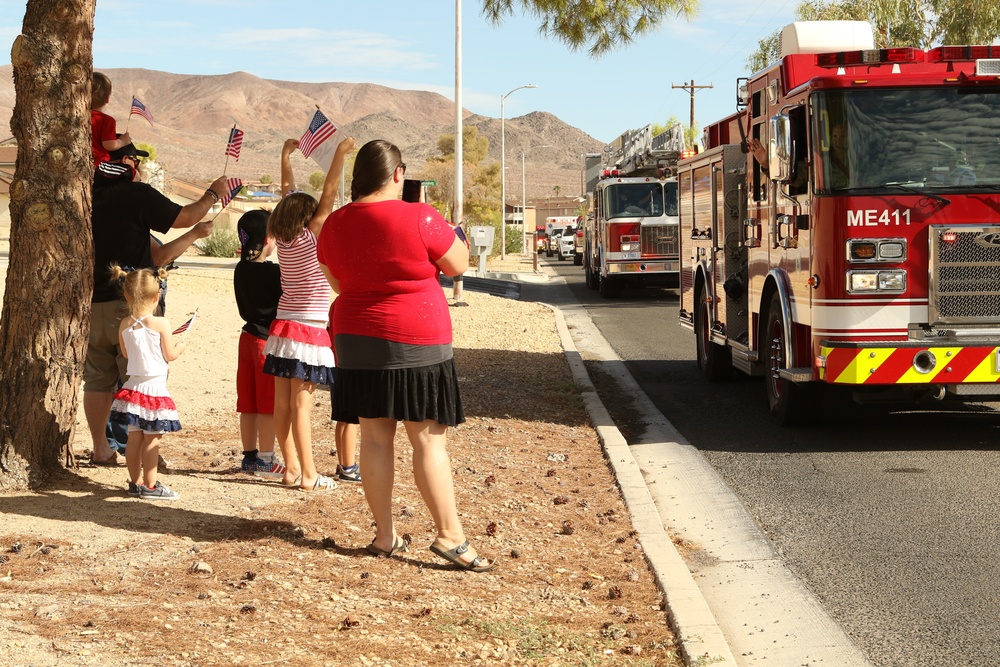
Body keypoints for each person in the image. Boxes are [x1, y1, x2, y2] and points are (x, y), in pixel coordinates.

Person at [317, 139, 493, 572]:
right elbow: (459, 265)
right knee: (427, 440)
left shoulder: (334, 224)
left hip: (357, 339)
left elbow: (338, 284)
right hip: (417, 337)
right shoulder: (421, 216)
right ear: (398, 174)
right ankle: (451, 537)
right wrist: (449, 226)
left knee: (375, 438)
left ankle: (384, 535)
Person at [86, 141, 227, 465]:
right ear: (128, 164)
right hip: (133, 306)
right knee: (141, 378)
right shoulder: (137, 195)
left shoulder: (86, 195)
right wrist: (213, 194)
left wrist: (194, 234)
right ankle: (146, 455)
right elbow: (185, 216)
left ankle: (101, 450)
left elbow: (160, 252)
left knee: (96, 380)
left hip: (93, 303)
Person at [262, 136, 356, 491]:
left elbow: (288, 192)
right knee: (302, 407)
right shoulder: (312, 235)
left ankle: (290, 469)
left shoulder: (285, 239)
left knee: (282, 406)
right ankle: (310, 475)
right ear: (309, 216)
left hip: (282, 327)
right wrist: (340, 155)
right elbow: (330, 191)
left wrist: (285, 155)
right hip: (309, 331)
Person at [107, 265, 184, 500]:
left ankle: (135, 482)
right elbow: (169, 354)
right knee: (152, 440)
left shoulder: (124, 324)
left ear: (126, 295)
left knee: (134, 438)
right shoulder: (161, 323)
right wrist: (181, 347)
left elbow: (127, 354)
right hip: (154, 389)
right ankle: (151, 486)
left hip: (132, 388)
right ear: (156, 296)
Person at [233, 209, 286, 479]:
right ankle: (267, 458)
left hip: (247, 338)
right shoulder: (275, 272)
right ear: (267, 238)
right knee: (268, 406)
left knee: (249, 402)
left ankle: (250, 457)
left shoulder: (241, 269)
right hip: (267, 341)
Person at [91, 72, 132, 168]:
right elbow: (109, 145)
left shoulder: (78, 117)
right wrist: (123, 141)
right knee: (133, 174)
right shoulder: (106, 120)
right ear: (107, 99)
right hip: (98, 165)